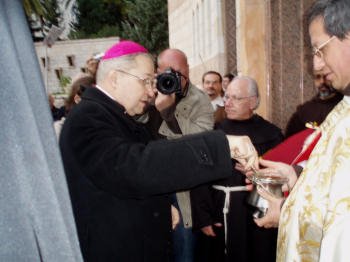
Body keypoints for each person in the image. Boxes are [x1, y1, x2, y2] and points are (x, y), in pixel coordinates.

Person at [59, 40, 258, 262]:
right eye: (145, 81)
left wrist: (163, 205)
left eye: (152, 82)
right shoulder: (87, 119)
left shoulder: (116, 114)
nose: (152, 90)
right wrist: (221, 145)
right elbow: (136, 167)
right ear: (115, 78)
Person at [251, 1, 350, 261]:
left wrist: (286, 210)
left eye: (320, 50)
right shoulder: (344, 110)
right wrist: (298, 175)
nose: (317, 66)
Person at [191, 76, 283, 262]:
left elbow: (279, 179)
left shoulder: (272, 134)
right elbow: (199, 176)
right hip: (221, 209)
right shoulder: (214, 132)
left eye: (235, 98)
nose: (228, 103)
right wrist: (204, 216)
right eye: (227, 97)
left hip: (257, 212)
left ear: (253, 101)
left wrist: (257, 171)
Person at [148, 48, 214, 262]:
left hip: (181, 189)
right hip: (150, 181)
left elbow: (201, 140)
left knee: (183, 250)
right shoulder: (147, 92)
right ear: (157, 71)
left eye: (179, 73)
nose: (173, 78)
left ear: (188, 72)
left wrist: (168, 112)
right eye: (167, 72)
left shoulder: (200, 100)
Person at [285, 71, 343, 137]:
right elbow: (290, 142)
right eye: (318, 77)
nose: (322, 82)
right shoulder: (304, 111)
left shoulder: (345, 106)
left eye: (326, 76)